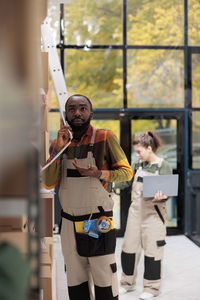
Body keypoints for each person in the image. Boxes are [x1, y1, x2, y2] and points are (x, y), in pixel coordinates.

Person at [43, 94, 133, 300]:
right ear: (65, 115)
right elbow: (48, 182)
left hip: (96, 222)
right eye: (72, 109)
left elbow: (127, 173)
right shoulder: (59, 143)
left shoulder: (105, 136)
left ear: (91, 113)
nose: (77, 113)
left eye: (82, 108)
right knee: (75, 281)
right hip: (68, 224)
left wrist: (99, 173)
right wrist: (57, 150)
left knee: (104, 279)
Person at [119, 131, 172, 300]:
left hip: (154, 215)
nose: (137, 155)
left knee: (152, 252)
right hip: (135, 214)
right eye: (136, 152)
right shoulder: (137, 165)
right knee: (128, 249)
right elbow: (126, 182)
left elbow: (168, 191)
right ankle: (127, 283)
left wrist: (163, 196)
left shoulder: (164, 166)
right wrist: (109, 181)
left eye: (139, 151)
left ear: (149, 148)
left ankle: (152, 288)